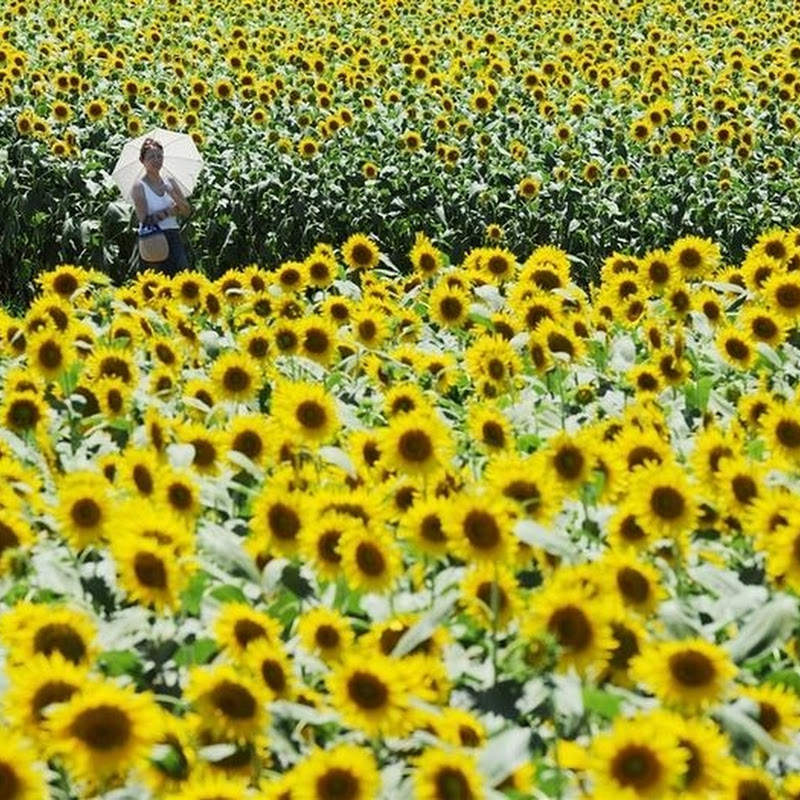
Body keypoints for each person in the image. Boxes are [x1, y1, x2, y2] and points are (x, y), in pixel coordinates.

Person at [131, 137, 192, 276]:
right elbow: (144, 220)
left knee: (182, 278)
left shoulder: (170, 181)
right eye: (151, 157)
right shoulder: (139, 186)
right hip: (153, 239)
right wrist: (169, 211)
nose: (156, 160)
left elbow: (187, 211)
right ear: (142, 161)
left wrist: (173, 194)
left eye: (159, 156)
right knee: (157, 283)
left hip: (174, 235)